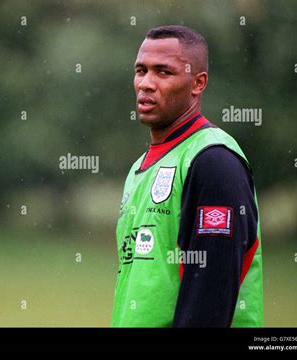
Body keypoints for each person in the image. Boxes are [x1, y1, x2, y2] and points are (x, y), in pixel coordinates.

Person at [111, 25, 263, 327]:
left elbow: (210, 299)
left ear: (198, 83)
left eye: (163, 72)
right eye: (141, 71)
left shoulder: (214, 161)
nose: (146, 83)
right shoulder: (141, 166)